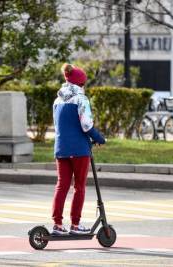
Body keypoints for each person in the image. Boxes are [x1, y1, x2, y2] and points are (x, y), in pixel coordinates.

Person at [52, 63, 105, 235]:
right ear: (81, 84)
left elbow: (58, 125)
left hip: (61, 149)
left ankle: (57, 225)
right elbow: (86, 125)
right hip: (79, 150)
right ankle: (75, 225)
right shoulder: (81, 99)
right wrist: (99, 138)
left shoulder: (57, 100)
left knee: (62, 186)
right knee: (79, 187)